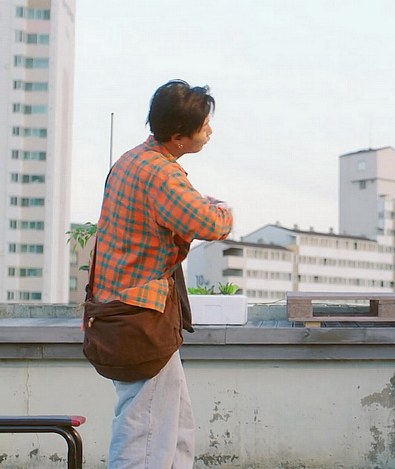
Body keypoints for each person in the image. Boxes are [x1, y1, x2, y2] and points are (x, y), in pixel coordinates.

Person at [91, 79, 233, 468]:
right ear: (178, 136)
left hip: (120, 310)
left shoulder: (131, 160)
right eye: (204, 125)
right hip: (141, 316)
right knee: (145, 430)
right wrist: (223, 207)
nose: (210, 131)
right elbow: (209, 223)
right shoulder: (161, 175)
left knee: (174, 422)